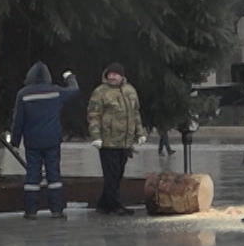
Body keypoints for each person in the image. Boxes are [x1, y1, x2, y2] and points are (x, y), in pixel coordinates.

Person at [9, 61, 78, 219]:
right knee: (54, 175)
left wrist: (14, 142)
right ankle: (57, 210)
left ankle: (31, 211)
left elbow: (18, 120)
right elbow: (74, 90)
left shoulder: (23, 94)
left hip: (32, 142)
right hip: (52, 140)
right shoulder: (55, 92)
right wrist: (70, 77)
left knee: (32, 175)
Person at [86, 63, 143, 215]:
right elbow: (93, 115)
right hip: (108, 141)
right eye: (110, 74)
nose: (112, 76)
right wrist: (96, 136)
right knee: (111, 174)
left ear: (122, 76)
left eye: (115, 74)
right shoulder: (100, 92)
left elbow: (135, 113)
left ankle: (103, 205)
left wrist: (140, 132)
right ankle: (115, 205)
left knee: (118, 174)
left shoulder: (130, 91)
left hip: (124, 141)